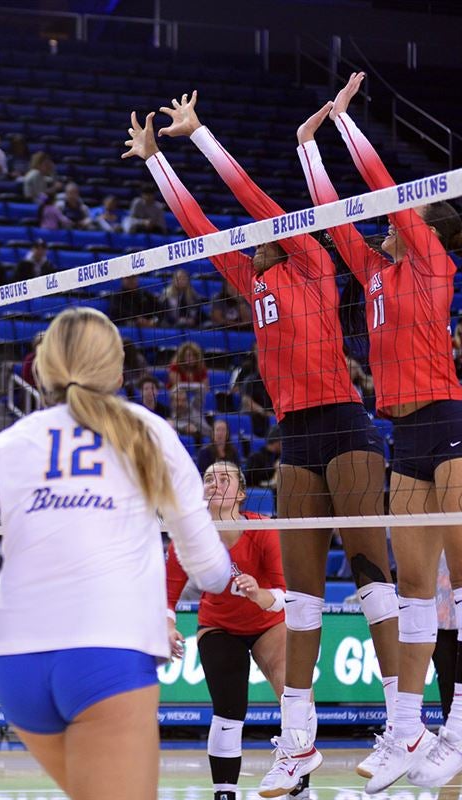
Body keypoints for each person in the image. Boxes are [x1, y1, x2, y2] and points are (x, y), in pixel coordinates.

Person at [127, 97, 398, 792]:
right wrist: (159, 160)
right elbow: (197, 226)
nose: (248, 234)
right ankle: (299, 743)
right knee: (302, 592)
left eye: (259, 228)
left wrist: (202, 136)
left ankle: (405, 721)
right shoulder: (253, 283)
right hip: (293, 436)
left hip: (344, 418)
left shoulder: (309, 257)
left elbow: (248, 195)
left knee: (370, 571)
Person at [0, 306, 231, 800]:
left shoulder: (8, 442)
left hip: (15, 666)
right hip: (107, 654)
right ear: (115, 365)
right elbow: (210, 572)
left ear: (42, 368)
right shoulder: (148, 432)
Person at [297, 73, 462, 792]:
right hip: (404, 438)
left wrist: (346, 123)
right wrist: (308, 149)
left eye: (404, 213)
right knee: (417, 589)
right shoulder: (374, 272)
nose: (391, 217)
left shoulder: (431, 261)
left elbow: (383, 186)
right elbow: (335, 220)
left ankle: (457, 729)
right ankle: (406, 729)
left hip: (452, 423)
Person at [165, 461, 290, 800]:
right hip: (219, 624)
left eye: (224, 479)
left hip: (267, 621)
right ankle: (224, 793)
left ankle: (296, 779)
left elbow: (284, 596)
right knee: (229, 707)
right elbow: (168, 594)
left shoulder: (263, 529)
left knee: (293, 696)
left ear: (242, 493)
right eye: (208, 479)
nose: (214, 484)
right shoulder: (188, 537)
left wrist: (259, 594)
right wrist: (168, 625)